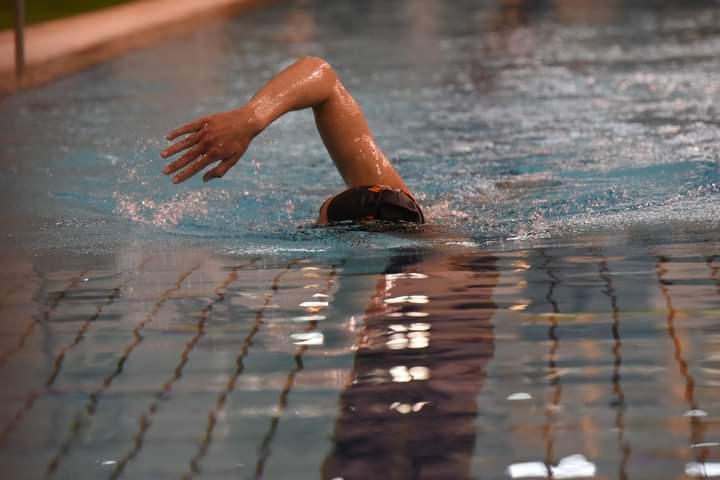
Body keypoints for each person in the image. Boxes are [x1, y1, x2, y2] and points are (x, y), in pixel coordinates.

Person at [160, 56, 424, 225]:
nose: (314, 225)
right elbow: (321, 76)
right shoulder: (394, 204)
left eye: (319, 225)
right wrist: (251, 117)